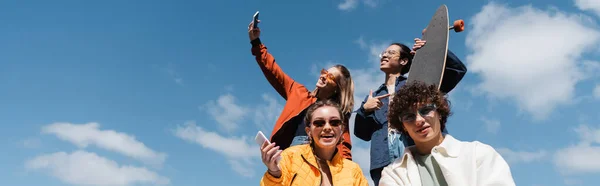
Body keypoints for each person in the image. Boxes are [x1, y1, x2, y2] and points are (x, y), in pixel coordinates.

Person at [354, 39, 467, 185]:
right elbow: (362, 134)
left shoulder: (417, 83)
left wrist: (432, 48)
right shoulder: (373, 96)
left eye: (391, 53)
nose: (384, 56)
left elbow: (456, 71)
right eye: (383, 53)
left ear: (404, 61)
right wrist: (364, 110)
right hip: (383, 160)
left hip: (419, 150)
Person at [248, 20, 355, 159]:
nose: (323, 76)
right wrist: (256, 43)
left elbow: (344, 146)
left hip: (322, 157)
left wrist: (347, 174)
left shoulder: (337, 114)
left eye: (330, 77)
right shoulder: (299, 93)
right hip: (293, 152)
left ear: (337, 88)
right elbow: (274, 71)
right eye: (324, 72)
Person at [379, 81, 515, 186]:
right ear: (403, 126)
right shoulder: (393, 173)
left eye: (426, 110)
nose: (419, 120)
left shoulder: (478, 154)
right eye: (409, 116)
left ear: (439, 113)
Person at [259, 100, 368, 186]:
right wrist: (274, 173)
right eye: (319, 123)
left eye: (334, 122)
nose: (327, 127)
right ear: (309, 131)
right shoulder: (290, 157)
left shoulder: (353, 170)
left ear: (342, 129)